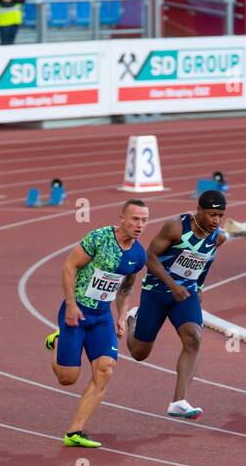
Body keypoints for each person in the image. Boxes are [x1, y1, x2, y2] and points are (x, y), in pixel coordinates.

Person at [44, 200, 148, 447]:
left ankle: (75, 432)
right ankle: (58, 339)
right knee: (67, 378)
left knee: (105, 369)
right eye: (135, 219)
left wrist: (121, 317)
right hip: (76, 314)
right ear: (122, 218)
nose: (139, 225)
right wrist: (70, 305)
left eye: (144, 220)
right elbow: (69, 266)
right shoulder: (99, 238)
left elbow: (126, 286)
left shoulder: (138, 254)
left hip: (102, 318)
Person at [124, 190, 229, 419]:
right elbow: (150, 257)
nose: (216, 221)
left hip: (186, 293)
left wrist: (198, 288)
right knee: (139, 353)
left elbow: (205, 261)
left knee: (194, 337)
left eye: (220, 215)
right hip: (157, 291)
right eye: (212, 214)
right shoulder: (176, 227)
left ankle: (178, 401)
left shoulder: (218, 237)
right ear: (199, 210)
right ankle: (133, 318)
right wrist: (172, 285)